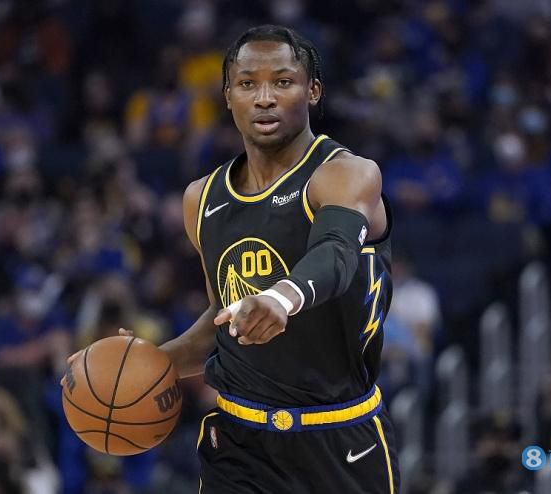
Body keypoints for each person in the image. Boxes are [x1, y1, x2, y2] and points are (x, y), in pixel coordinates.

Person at [65, 24, 399, 493]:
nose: (264, 97)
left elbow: (337, 253)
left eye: (282, 82)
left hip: (341, 438)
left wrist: (283, 298)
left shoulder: (346, 174)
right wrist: (141, 368)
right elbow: (226, 326)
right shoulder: (200, 200)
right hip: (240, 445)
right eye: (247, 84)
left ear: (313, 90)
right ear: (227, 95)